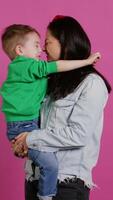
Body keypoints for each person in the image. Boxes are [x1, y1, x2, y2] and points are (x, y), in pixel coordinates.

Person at [12, 16, 111, 200]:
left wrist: (30, 138)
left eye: (47, 42)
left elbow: (79, 134)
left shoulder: (91, 83)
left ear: (65, 43)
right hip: (34, 179)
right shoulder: (48, 82)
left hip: (66, 185)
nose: (42, 48)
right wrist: (22, 144)